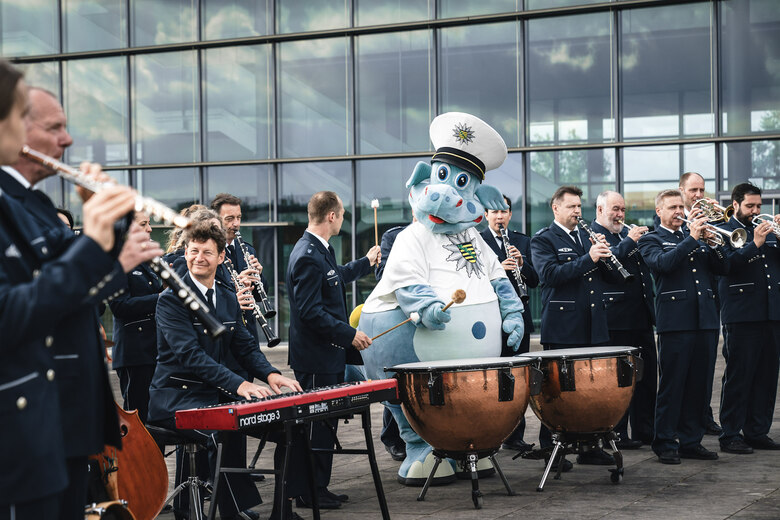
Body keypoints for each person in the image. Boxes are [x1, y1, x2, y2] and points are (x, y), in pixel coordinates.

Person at [0, 76, 162, 520]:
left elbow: (66, 290)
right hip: (21, 434)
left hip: (62, 423)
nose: (67, 140)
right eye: (52, 127)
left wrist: (109, 245)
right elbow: (15, 312)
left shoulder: (30, 201)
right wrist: (96, 244)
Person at [147, 220, 301, 520]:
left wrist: (271, 374)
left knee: (288, 428)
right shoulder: (170, 301)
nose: (198, 257)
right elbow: (191, 356)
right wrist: (241, 386)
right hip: (176, 399)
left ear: (221, 257)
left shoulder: (228, 295)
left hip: (213, 396)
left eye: (207, 252)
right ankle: (228, 512)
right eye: (193, 251)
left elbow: (244, 346)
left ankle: (281, 512)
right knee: (224, 432)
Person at [286, 191, 380, 510]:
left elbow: (335, 278)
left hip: (326, 355)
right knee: (316, 427)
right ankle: (307, 491)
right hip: (314, 357)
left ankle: (318, 487)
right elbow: (310, 311)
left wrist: (366, 263)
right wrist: (349, 334)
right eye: (342, 214)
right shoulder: (307, 255)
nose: (342, 219)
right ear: (332, 216)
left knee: (325, 425)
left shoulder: (319, 250)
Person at [530, 185, 621, 469]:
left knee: (591, 390)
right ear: (556, 208)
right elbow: (550, 275)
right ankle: (552, 450)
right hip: (563, 328)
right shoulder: (544, 240)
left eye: (579, 207)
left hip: (593, 325)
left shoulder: (587, 236)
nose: (577, 212)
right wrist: (589, 258)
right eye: (571, 207)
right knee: (557, 391)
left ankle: (590, 447)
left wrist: (608, 259)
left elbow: (606, 278)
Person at [637, 189, 729, 465]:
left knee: (699, 386)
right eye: (672, 207)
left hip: (706, 320)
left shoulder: (697, 237)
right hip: (675, 323)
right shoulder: (651, 240)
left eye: (681, 206)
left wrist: (714, 245)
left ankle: (691, 441)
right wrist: (693, 238)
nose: (679, 211)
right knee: (672, 384)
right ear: (660, 212)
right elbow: (663, 264)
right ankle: (664, 440)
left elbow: (723, 268)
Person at [717, 183, 780, 454]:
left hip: (772, 313)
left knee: (767, 376)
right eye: (750, 206)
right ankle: (730, 434)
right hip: (742, 315)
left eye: (758, 206)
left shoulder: (770, 231)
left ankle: (757, 431)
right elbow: (726, 266)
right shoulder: (724, 231)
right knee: (739, 376)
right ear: (736, 204)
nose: (755, 211)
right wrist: (754, 244)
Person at [590, 191, 657, 448]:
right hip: (615, 318)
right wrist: (630, 240)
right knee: (620, 381)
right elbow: (609, 262)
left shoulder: (623, 234)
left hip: (641, 316)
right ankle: (616, 434)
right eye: (615, 209)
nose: (620, 215)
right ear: (599, 210)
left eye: (623, 210)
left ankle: (645, 430)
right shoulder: (594, 235)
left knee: (647, 378)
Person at [480, 194, 539, 453]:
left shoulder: (522, 241)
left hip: (520, 318)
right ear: (485, 215)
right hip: (490, 318)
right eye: (494, 212)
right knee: (492, 379)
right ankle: (490, 434)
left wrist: (522, 265)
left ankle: (515, 436)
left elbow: (536, 280)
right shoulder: (476, 242)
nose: (499, 216)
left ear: (510, 214)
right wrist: (496, 271)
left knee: (517, 378)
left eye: (504, 211)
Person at [109, 210, 164, 423]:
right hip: (135, 355)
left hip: (153, 351)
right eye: (144, 224)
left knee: (155, 420)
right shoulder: (117, 261)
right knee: (138, 422)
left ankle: (155, 458)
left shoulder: (145, 259)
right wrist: (161, 297)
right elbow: (118, 306)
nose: (149, 229)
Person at [211, 193, 270, 344]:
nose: (236, 224)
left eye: (239, 218)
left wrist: (259, 277)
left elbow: (258, 296)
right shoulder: (209, 253)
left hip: (248, 332)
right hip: (224, 334)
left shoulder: (248, 250)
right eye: (229, 219)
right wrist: (236, 286)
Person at [373, 223, 408, 462]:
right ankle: (392, 437)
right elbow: (381, 275)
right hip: (398, 313)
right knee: (397, 379)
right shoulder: (395, 236)